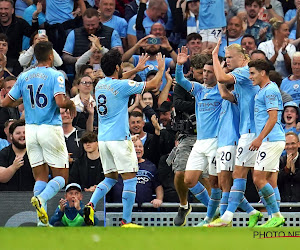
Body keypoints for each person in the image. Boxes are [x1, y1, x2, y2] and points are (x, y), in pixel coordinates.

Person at [83, 49, 165, 228]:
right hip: (119, 139)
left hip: (103, 140)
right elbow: (153, 85)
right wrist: (161, 70)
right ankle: (126, 221)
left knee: (110, 178)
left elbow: (119, 78)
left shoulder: (100, 85)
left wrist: (135, 69)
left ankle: (90, 204)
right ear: (118, 67)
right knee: (130, 179)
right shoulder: (121, 86)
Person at [0, 41, 76, 226]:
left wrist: (25, 99)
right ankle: (41, 199)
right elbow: (59, 101)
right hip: (49, 128)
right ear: (51, 56)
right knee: (62, 178)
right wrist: (70, 104)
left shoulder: (24, 76)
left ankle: (41, 222)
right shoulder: (55, 75)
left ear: (35, 56)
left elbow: (5, 103)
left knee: (40, 176)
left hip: (31, 130)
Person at [207, 41, 261, 227]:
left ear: (243, 58)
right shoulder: (243, 79)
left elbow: (221, 78)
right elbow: (227, 96)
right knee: (253, 176)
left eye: (230, 57)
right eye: (225, 57)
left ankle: (228, 216)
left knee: (251, 176)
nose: (227, 60)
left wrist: (215, 57)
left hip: (252, 131)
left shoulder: (244, 71)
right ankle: (258, 213)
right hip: (248, 131)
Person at [175, 49, 223, 227]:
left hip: (216, 141)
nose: (204, 75)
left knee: (216, 183)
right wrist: (180, 65)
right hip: (199, 142)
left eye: (209, 72)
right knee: (189, 180)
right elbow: (180, 80)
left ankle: (216, 217)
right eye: (203, 71)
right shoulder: (199, 90)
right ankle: (216, 211)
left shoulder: (222, 90)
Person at [247, 59, 285, 227]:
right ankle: (273, 217)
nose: (250, 77)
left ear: (263, 73)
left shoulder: (270, 90)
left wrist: (259, 138)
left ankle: (276, 215)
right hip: (271, 140)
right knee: (268, 180)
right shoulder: (262, 90)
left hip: (271, 140)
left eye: (252, 73)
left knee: (258, 178)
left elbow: (273, 118)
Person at [0, 119, 35, 190]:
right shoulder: (4, 153)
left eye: (25, 132)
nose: (22, 135)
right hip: (7, 197)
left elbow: (42, 179)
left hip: (31, 195)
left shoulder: (35, 152)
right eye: (18, 133)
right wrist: (13, 167)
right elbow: (2, 178)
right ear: (11, 136)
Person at [278, 132, 300, 211]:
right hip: (283, 208)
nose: (290, 146)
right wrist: (286, 169)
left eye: (293, 143)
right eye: (287, 144)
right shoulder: (278, 161)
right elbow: (275, 182)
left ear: (298, 144)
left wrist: (294, 173)